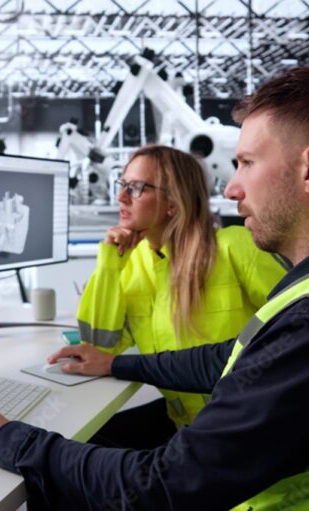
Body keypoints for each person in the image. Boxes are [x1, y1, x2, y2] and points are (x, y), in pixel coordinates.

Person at [0, 66, 309, 510]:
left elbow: (165, 490)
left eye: (246, 162)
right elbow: (238, 356)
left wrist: (9, 440)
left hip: (243, 497)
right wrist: (117, 363)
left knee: (44, 479)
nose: (229, 185)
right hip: (263, 466)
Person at [77, 144, 287, 447]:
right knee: (79, 446)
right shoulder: (134, 262)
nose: (120, 197)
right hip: (189, 430)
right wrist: (109, 264)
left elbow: (299, 334)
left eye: (136, 188)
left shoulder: (233, 247)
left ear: (172, 202)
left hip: (250, 430)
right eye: (122, 185)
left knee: (80, 465)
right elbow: (97, 345)